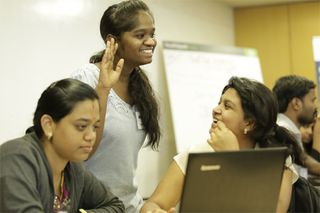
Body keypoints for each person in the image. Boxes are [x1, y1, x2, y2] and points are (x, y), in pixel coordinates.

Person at [140, 77, 300, 213]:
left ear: (249, 123)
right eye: (219, 102)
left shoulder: (276, 159)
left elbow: (273, 210)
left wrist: (231, 157)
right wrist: (154, 210)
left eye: (227, 106)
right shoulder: (196, 154)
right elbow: (153, 204)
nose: (216, 110)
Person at [71, 0, 160, 212]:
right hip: (92, 206)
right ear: (113, 41)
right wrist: (103, 89)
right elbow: (84, 150)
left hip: (128, 206)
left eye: (152, 34)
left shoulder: (139, 86)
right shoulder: (87, 78)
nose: (151, 42)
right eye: (140, 35)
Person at [0, 78, 124, 213]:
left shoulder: (74, 168)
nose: (91, 136)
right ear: (48, 125)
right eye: (81, 126)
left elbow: (116, 206)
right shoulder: (16, 158)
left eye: (95, 127)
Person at [272, 75, 320, 176]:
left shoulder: (287, 129)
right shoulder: (283, 131)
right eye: (312, 100)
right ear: (296, 103)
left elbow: (306, 161)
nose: (315, 106)